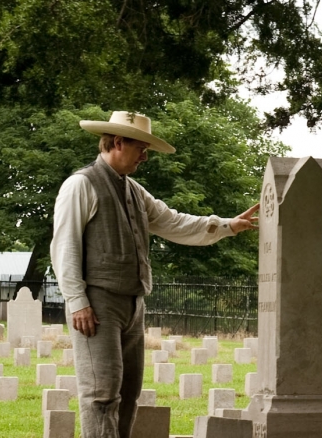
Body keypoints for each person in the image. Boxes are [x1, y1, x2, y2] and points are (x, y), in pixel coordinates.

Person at [51, 110, 259, 438]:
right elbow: (64, 246)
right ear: (118, 142)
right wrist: (77, 301)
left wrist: (227, 225)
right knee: (101, 394)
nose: (145, 157)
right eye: (140, 149)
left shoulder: (135, 191)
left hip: (133, 303)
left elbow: (173, 221)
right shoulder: (81, 184)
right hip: (97, 304)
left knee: (129, 394)